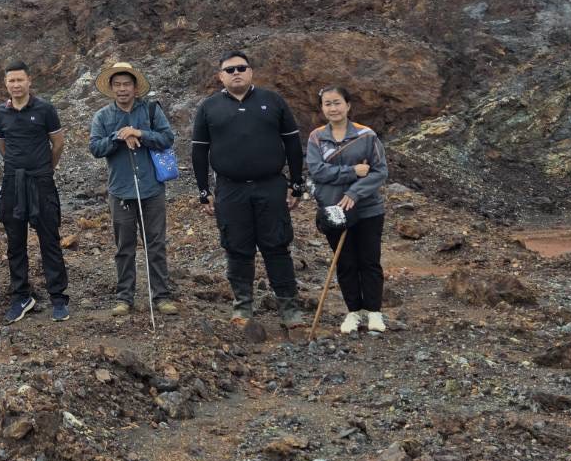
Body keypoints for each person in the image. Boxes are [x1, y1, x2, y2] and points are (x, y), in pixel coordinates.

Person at [191, 51, 308, 329]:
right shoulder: (209, 107)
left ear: (251, 72)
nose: (236, 73)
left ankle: (289, 309)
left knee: (277, 246)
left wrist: (297, 184)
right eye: (229, 70)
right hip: (230, 190)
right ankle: (243, 307)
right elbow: (199, 151)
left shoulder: (273, 101)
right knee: (237, 248)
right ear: (220, 76)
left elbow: (292, 145)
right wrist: (203, 190)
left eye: (241, 68)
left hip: (271, 186)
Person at [89, 61, 179, 318]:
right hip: (120, 190)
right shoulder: (103, 117)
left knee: (156, 243)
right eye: (117, 85)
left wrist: (139, 132)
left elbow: (167, 138)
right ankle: (124, 297)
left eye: (126, 84)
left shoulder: (151, 110)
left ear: (135, 87)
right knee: (124, 247)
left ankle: (161, 296)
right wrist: (118, 136)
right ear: (111, 88)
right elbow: (95, 148)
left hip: (152, 188)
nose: (122, 89)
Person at [306, 86, 389, 334]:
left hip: (367, 208)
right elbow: (316, 171)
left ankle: (374, 312)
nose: (333, 108)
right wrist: (352, 171)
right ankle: (353, 311)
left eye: (337, 103)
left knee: (369, 260)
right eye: (327, 104)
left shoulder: (366, 136)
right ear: (322, 108)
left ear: (348, 105)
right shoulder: (316, 137)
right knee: (345, 262)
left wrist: (354, 192)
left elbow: (379, 171)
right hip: (333, 209)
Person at [0, 61, 69, 324]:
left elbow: (57, 144)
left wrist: (45, 169)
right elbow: (2, 146)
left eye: (19, 80)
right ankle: (21, 296)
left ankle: (58, 297)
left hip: (41, 181)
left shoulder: (45, 109)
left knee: (49, 239)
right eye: (11, 81)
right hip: (14, 182)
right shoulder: (0, 113)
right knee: (15, 242)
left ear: (29, 81)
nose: (15, 85)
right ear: (6, 84)